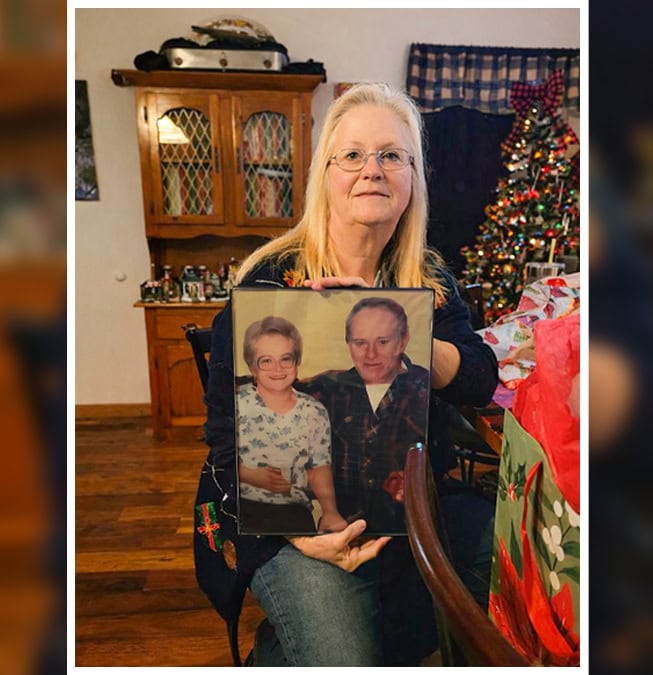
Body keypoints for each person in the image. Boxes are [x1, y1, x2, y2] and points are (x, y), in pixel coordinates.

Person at [192, 82, 498, 666]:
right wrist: (303, 534)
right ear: (325, 175)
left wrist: (407, 327)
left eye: (392, 155)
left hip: (406, 508)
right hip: (290, 516)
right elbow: (226, 440)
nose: (372, 170)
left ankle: (304, 646)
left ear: (413, 178)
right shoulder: (268, 285)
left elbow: (480, 378)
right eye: (352, 155)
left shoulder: (429, 279)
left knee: (517, 554)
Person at [299, 296, 429, 534]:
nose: (370, 354)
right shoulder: (329, 388)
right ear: (348, 344)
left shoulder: (424, 388)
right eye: (360, 343)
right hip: (342, 527)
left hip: (409, 530)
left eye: (383, 342)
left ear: (402, 341)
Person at [236, 315, 344, 534]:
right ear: (252, 367)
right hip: (244, 506)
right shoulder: (237, 405)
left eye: (286, 359)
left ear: (297, 362)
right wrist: (251, 475)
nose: (278, 369)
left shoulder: (314, 412)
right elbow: (218, 461)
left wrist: (330, 512)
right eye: (266, 361)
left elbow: (318, 467)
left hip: (293, 510)